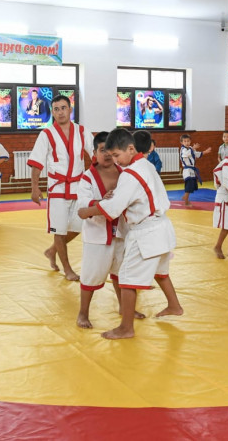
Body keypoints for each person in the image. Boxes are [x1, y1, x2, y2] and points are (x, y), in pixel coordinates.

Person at [78, 129, 183, 339]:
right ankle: (174, 305)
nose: (114, 159)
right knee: (161, 271)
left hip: (144, 231)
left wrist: (87, 211)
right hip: (161, 227)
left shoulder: (129, 174)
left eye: (116, 155)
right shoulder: (146, 164)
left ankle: (126, 328)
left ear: (131, 149)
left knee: (126, 279)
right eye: (108, 154)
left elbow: (114, 207)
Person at [76, 131, 146, 328]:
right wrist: (101, 202)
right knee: (91, 275)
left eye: (110, 150)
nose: (107, 154)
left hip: (122, 232)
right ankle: (83, 313)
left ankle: (125, 307)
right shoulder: (87, 178)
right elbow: (82, 207)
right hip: (97, 235)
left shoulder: (125, 173)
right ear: (94, 153)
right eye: (102, 150)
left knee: (123, 273)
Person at [27, 94, 94, 281]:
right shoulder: (46, 134)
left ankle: (52, 251)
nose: (60, 112)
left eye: (63, 108)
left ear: (70, 110)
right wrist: (35, 187)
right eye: (56, 109)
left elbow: (95, 154)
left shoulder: (82, 131)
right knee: (59, 229)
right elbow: (37, 162)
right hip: (57, 188)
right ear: (52, 112)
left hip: (78, 186)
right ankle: (67, 269)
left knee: (79, 226)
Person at [180, 134, 211, 206]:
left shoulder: (190, 148)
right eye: (185, 141)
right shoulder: (183, 150)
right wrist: (193, 148)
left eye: (188, 141)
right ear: (181, 142)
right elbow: (187, 154)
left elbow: (196, 154)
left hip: (192, 170)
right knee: (189, 185)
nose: (187, 143)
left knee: (192, 185)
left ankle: (185, 197)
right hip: (187, 170)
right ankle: (186, 201)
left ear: (190, 141)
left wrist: (205, 152)